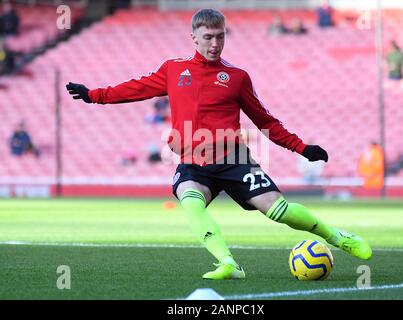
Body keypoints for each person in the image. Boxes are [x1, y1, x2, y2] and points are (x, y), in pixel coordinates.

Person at [67, 8, 372, 280]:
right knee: (189, 200)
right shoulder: (174, 69)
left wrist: (301, 148)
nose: (215, 44)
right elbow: (136, 88)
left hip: (234, 159)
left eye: (220, 37)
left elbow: (265, 121)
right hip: (194, 162)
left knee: (279, 211)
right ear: (194, 38)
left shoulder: (237, 77)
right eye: (208, 37)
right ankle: (228, 263)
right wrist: (95, 95)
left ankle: (337, 237)